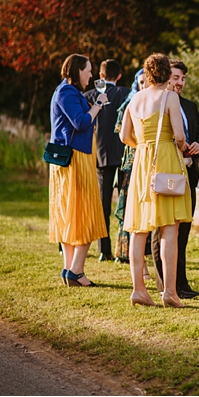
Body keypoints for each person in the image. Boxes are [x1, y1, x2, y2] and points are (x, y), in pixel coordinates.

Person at [121, 53, 192, 307]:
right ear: (165, 73)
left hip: (142, 162)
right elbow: (181, 136)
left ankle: (138, 289)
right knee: (169, 228)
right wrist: (177, 146)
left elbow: (124, 136)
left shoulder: (135, 98)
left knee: (139, 229)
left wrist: (142, 146)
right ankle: (169, 292)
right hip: (165, 161)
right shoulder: (169, 97)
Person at [49, 53, 109, 287]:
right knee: (83, 213)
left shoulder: (71, 92)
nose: (91, 75)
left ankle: (70, 269)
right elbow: (81, 122)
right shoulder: (66, 92)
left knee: (71, 213)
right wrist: (98, 105)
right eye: (88, 70)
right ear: (77, 71)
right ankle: (76, 270)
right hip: (74, 161)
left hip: (76, 159)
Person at [149, 60, 199, 299]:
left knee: (183, 229)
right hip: (165, 172)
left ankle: (181, 284)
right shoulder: (155, 103)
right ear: (165, 77)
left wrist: (198, 147)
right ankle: (164, 284)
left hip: (188, 174)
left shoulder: (190, 106)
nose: (179, 83)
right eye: (175, 77)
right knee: (161, 228)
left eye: (182, 79)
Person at [85, 59, 131, 262]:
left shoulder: (90, 96)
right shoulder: (126, 93)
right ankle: (124, 250)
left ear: (101, 76)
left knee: (104, 203)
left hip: (101, 155)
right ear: (119, 76)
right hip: (123, 155)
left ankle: (104, 249)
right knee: (126, 202)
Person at [113, 69, 146, 264]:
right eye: (140, 82)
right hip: (133, 157)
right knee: (129, 207)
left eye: (146, 82)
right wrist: (140, 143)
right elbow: (120, 130)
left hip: (148, 156)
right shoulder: (131, 101)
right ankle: (125, 253)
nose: (143, 86)